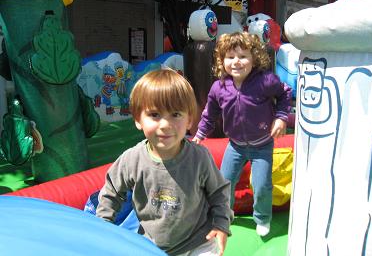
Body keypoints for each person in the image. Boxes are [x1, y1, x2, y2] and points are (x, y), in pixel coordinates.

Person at [96, 69, 233, 256]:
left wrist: (221, 223)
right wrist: (103, 227)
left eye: (176, 114)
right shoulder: (132, 160)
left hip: (198, 241)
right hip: (152, 244)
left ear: (189, 120)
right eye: (154, 115)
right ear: (138, 119)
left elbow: (218, 191)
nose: (165, 125)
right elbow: (111, 193)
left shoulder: (199, 158)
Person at [192, 32, 292, 237]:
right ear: (222, 61)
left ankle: (262, 218)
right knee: (224, 182)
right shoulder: (219, 87)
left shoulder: (265, 81)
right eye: (230, 57)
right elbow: (209, 114)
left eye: (243, 56)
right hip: (235, 145)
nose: (236, 62)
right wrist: (200, 133)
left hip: (262, 145)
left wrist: (281, 117)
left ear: (254, 58)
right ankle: (225, 215)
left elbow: (284, 93)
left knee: (262, 184)